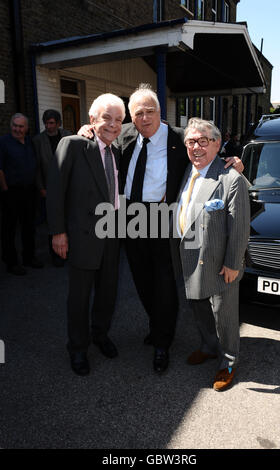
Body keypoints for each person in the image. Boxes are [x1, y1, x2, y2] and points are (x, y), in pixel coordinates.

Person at [78, 83, 243, 374]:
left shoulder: (180, 138)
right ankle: (157, 326)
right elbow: (102, 141)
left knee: (165, 283)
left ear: (160, 112)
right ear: (131, 116)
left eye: (150, 111)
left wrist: (233, 162)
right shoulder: (125, 134)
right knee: (141, 280)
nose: (144, 118)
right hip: (129, 217)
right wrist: (85, 131)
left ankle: (162, 344)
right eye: (138, 112)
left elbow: (206, 153)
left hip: (163, 217)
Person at [46, 94, 125, 375]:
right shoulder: (74, 145)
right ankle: (78, 348)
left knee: (107, 293)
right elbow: (55, 191)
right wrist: (58, 232)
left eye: (118, 120)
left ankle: (100, 335)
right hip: (82, 236)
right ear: (92, 119)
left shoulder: (118, 151)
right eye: (107, 118)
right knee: (79, 298)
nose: (113, 125)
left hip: (113, 234)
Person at [170, 118, 250, 391]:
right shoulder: (187, 171)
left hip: (219, 262)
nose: (196, 147)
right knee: (198, 306)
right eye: (191, 142)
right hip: (190, 253)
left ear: (218, 144)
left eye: (203, 141)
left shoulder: (231, 178)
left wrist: (233, 264)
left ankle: (228, 362)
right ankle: (207, 345)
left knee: (224, 314)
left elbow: (239, 227)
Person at [0, 113, 43, 275]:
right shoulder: (3, 143)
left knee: (29, 226)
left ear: (26, 128)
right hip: (11, 191)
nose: (17, 129)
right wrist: (5, 190)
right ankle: (11, 263)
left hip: (29, 191)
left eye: (20, 126)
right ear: (11, 126)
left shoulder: (30, 142)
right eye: (15, 125)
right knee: (9, 229)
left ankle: (29, 257)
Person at [33, 110, 71, 266]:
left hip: (68, 186)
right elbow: (36, 167)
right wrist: (41, 187)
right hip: (48, 187)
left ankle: (68, 250)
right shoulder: (38, 140)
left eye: (52, 123)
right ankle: (56, 255)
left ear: (58, 123)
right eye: (46, 123)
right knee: (52, 222)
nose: (49, 126)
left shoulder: (68, 136)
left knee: (69, 220)